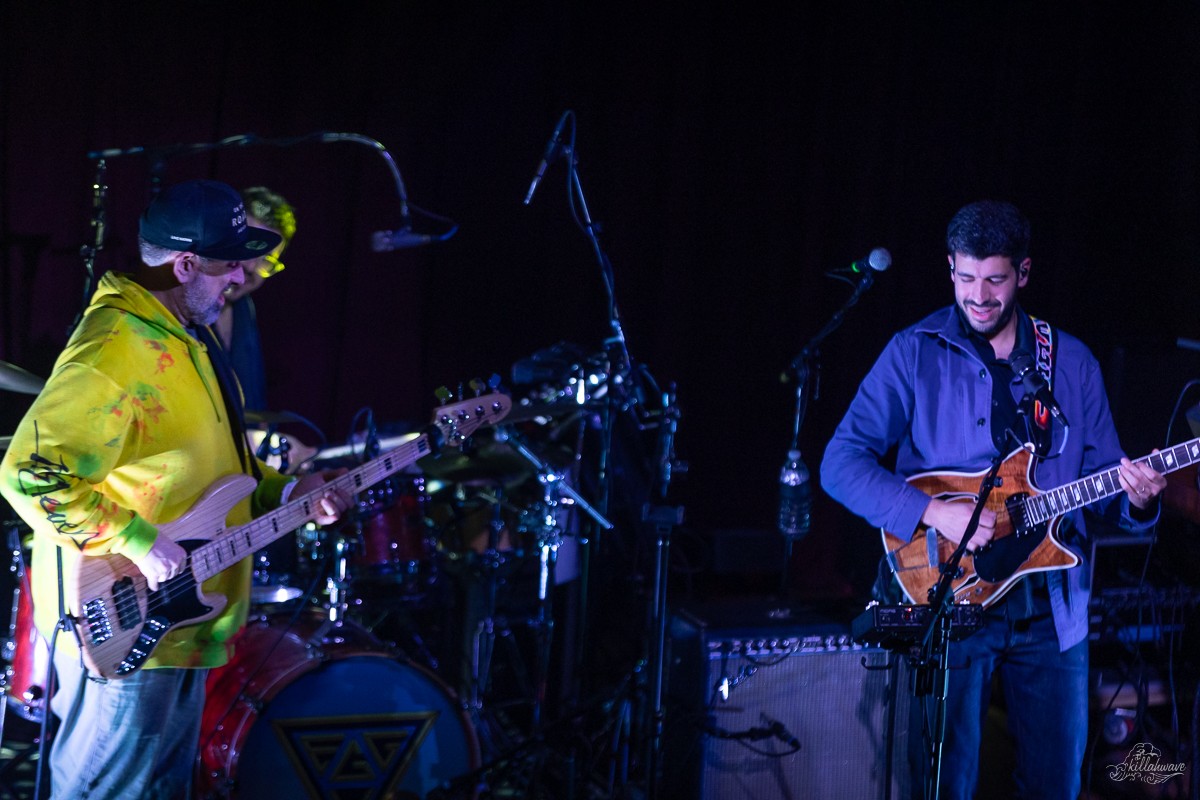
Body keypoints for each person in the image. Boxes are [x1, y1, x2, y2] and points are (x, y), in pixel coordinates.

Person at [0, 179, 352, 799]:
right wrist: (137, 540)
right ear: (185, 264)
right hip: (123, 624)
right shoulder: (117, 348)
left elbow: (219, 468)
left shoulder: (188, 335)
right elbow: (30, 474)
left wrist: (287, 492)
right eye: (228, 264)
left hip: (181, 621)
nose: (240, 277)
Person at [820, 200, 1166, 799]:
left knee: (1055, 786)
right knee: (945, 783)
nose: (979, 297)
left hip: (1053, 607)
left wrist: (1136, 500)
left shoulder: (1071, 361)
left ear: (1023, 273)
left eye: (995, 280)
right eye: (966, 278)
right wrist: (934, 511)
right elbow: (839, 464)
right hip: (950, 603)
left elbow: (1105, 481)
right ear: (950, 267)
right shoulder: (913, 351)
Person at [211, 185, 296, 413]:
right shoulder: (188, 303)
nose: (250, 267)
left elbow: (251, 408)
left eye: (266, 260)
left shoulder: (244, 308)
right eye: (248, 247)